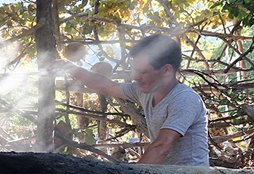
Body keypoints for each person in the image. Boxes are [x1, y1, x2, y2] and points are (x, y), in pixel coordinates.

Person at [56, 34, 209, 166]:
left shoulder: (185, 99)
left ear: (166, 70)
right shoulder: (145, 91)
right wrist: (70, 68)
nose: (135, 76)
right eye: (134, 69)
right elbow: (108, 86)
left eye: (143, 71)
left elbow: (162, 146)